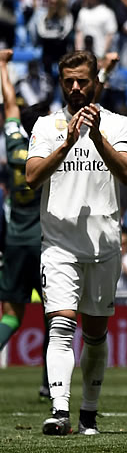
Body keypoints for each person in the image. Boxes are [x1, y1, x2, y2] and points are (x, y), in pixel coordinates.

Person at [26, 49, 127, 436]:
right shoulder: (46, 125)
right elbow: (31, 176)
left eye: (82, 81)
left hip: (104, 246)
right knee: (60, 326)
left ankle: (89, 410)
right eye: (68, 81)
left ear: (95, 83)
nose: (75, 88)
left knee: (95, 333)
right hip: (58, 244)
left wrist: (96, 136)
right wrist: (68, 142)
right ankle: (60, 409)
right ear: (60, 83)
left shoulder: (118, 124)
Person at [0, 50, 48, 398]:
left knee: (12, 316)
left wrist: (2, 67)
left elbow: (10, 109)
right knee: (56, 316)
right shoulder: (48, 153)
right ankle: (50, 384)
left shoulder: (15, 145)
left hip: (14, 240)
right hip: (47, 243)